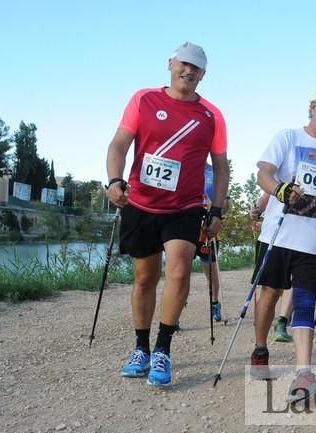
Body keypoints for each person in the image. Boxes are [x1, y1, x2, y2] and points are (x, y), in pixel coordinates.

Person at [105, 41, 229, 387]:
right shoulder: (143, 99)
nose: (189, 71)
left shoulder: (212, 115)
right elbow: (119, 144)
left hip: (185, 208)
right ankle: (141, 347)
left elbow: (221, 166)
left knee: (178, 271)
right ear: (171, 63)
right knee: (145, 278)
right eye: (184, 64)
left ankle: (163, 349)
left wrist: (216, 208)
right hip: (141, 203)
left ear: (203, 75)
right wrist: (114, 180)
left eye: (197, 68)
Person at [250, 83, 316, 400]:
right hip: (277, 236)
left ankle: (304, 373)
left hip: (314, 242)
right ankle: (261, 347)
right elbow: (263, 173)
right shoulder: (288, 137)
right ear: (313, 107)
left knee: (305, 301)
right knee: (268, 295)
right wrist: (279, 189)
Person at [250, 192, 293, 342]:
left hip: (306, 236)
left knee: (295, 284)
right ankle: (260, 348)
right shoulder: (275, 168)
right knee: (271, 291)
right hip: (274, 233)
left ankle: (282, 321)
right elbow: (268, 190)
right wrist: (258, 209)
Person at [193, 163, 230, 323]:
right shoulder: (186, 166)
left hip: (207, 229)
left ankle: (215, 303)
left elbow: (226, 204)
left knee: (209, 268)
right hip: (184, 227)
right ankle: (176, 310)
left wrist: (215, 216)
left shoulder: (216, 172)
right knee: (178, 270)